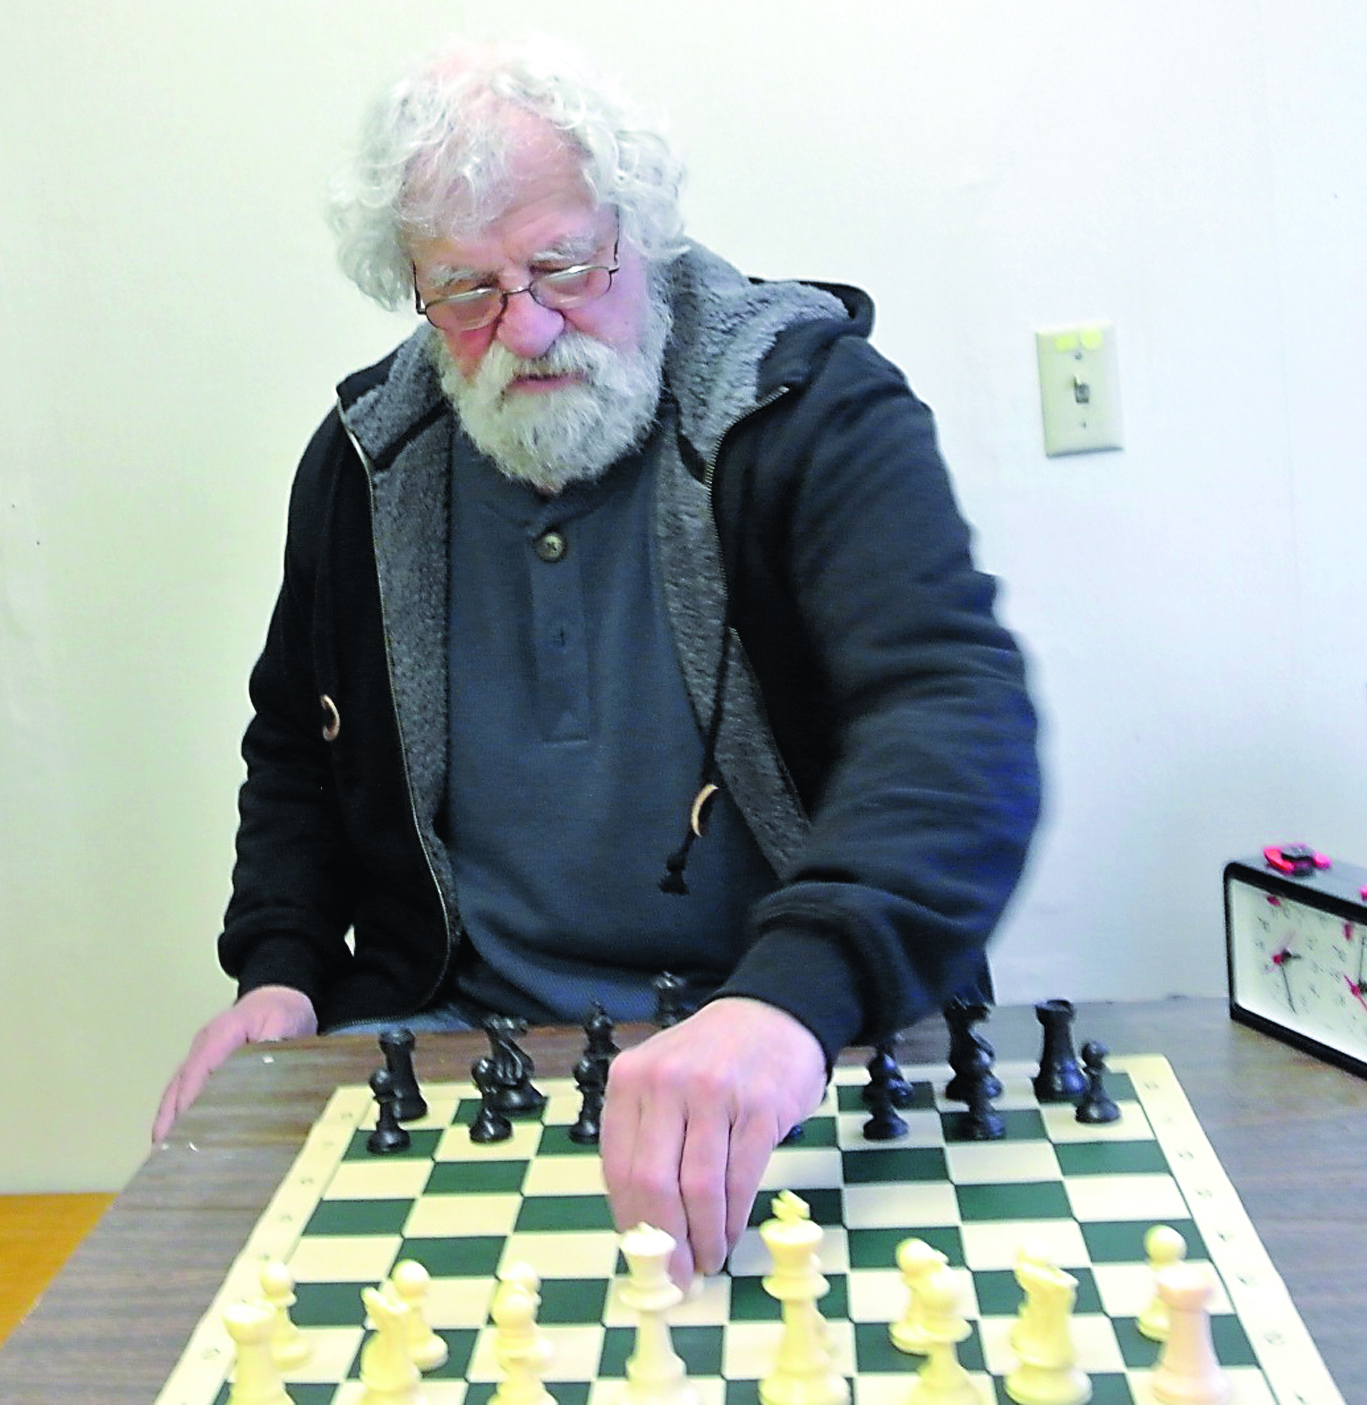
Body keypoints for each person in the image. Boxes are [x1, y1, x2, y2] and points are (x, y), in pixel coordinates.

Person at [152, 39, 1041, 1285]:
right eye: (464, 291)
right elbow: (298, 738)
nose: (524, 326)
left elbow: (952, 714)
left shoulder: (810, 405)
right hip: (464, 1049)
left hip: (785, 1045)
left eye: (561, 264)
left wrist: (793, 997)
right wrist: (283, 968)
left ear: (641, 231)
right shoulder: (365, 461)